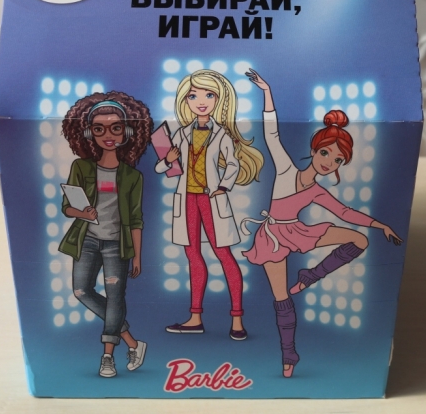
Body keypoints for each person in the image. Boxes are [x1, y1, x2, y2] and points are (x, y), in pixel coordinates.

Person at [242, 70, 402, 378]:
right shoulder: (286, 170)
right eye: (326, 153)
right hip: (272, 237)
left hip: (297, 231)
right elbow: (271, 134)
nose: (329, 162)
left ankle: (311, 275)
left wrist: (380, 225)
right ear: (314, 150)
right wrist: (266, 91)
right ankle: (289, 354)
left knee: (359, 240)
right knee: (282, 298)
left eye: (338, 160)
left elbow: (345, 213)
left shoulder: (317, 191)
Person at [156, 69, 264, 340]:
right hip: (187, 200)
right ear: (185, 100)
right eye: (193, 96)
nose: (201, 101)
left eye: (209, 95)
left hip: (211, 199)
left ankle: (237, 320)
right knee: (193, 256)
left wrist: (223, 187)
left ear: (219, 99)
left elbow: (233, 164)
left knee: (223, 254)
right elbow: (161, 168)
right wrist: (168, 159)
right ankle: (195, 318)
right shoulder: (181, 133)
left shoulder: (221, 134)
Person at [58, 91, 153, 378]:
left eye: (115, 128)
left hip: (117, 245)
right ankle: (132, 343)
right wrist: (82, 213)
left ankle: (108, 356)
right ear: (89, 133)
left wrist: (137, 256)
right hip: (86, 240)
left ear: (127, 132)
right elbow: (67, 207)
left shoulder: (133, 176)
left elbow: (136, 219)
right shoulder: (81, 167)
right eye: (99, 129)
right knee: (81, 291)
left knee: (115, 296)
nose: (108, 135)